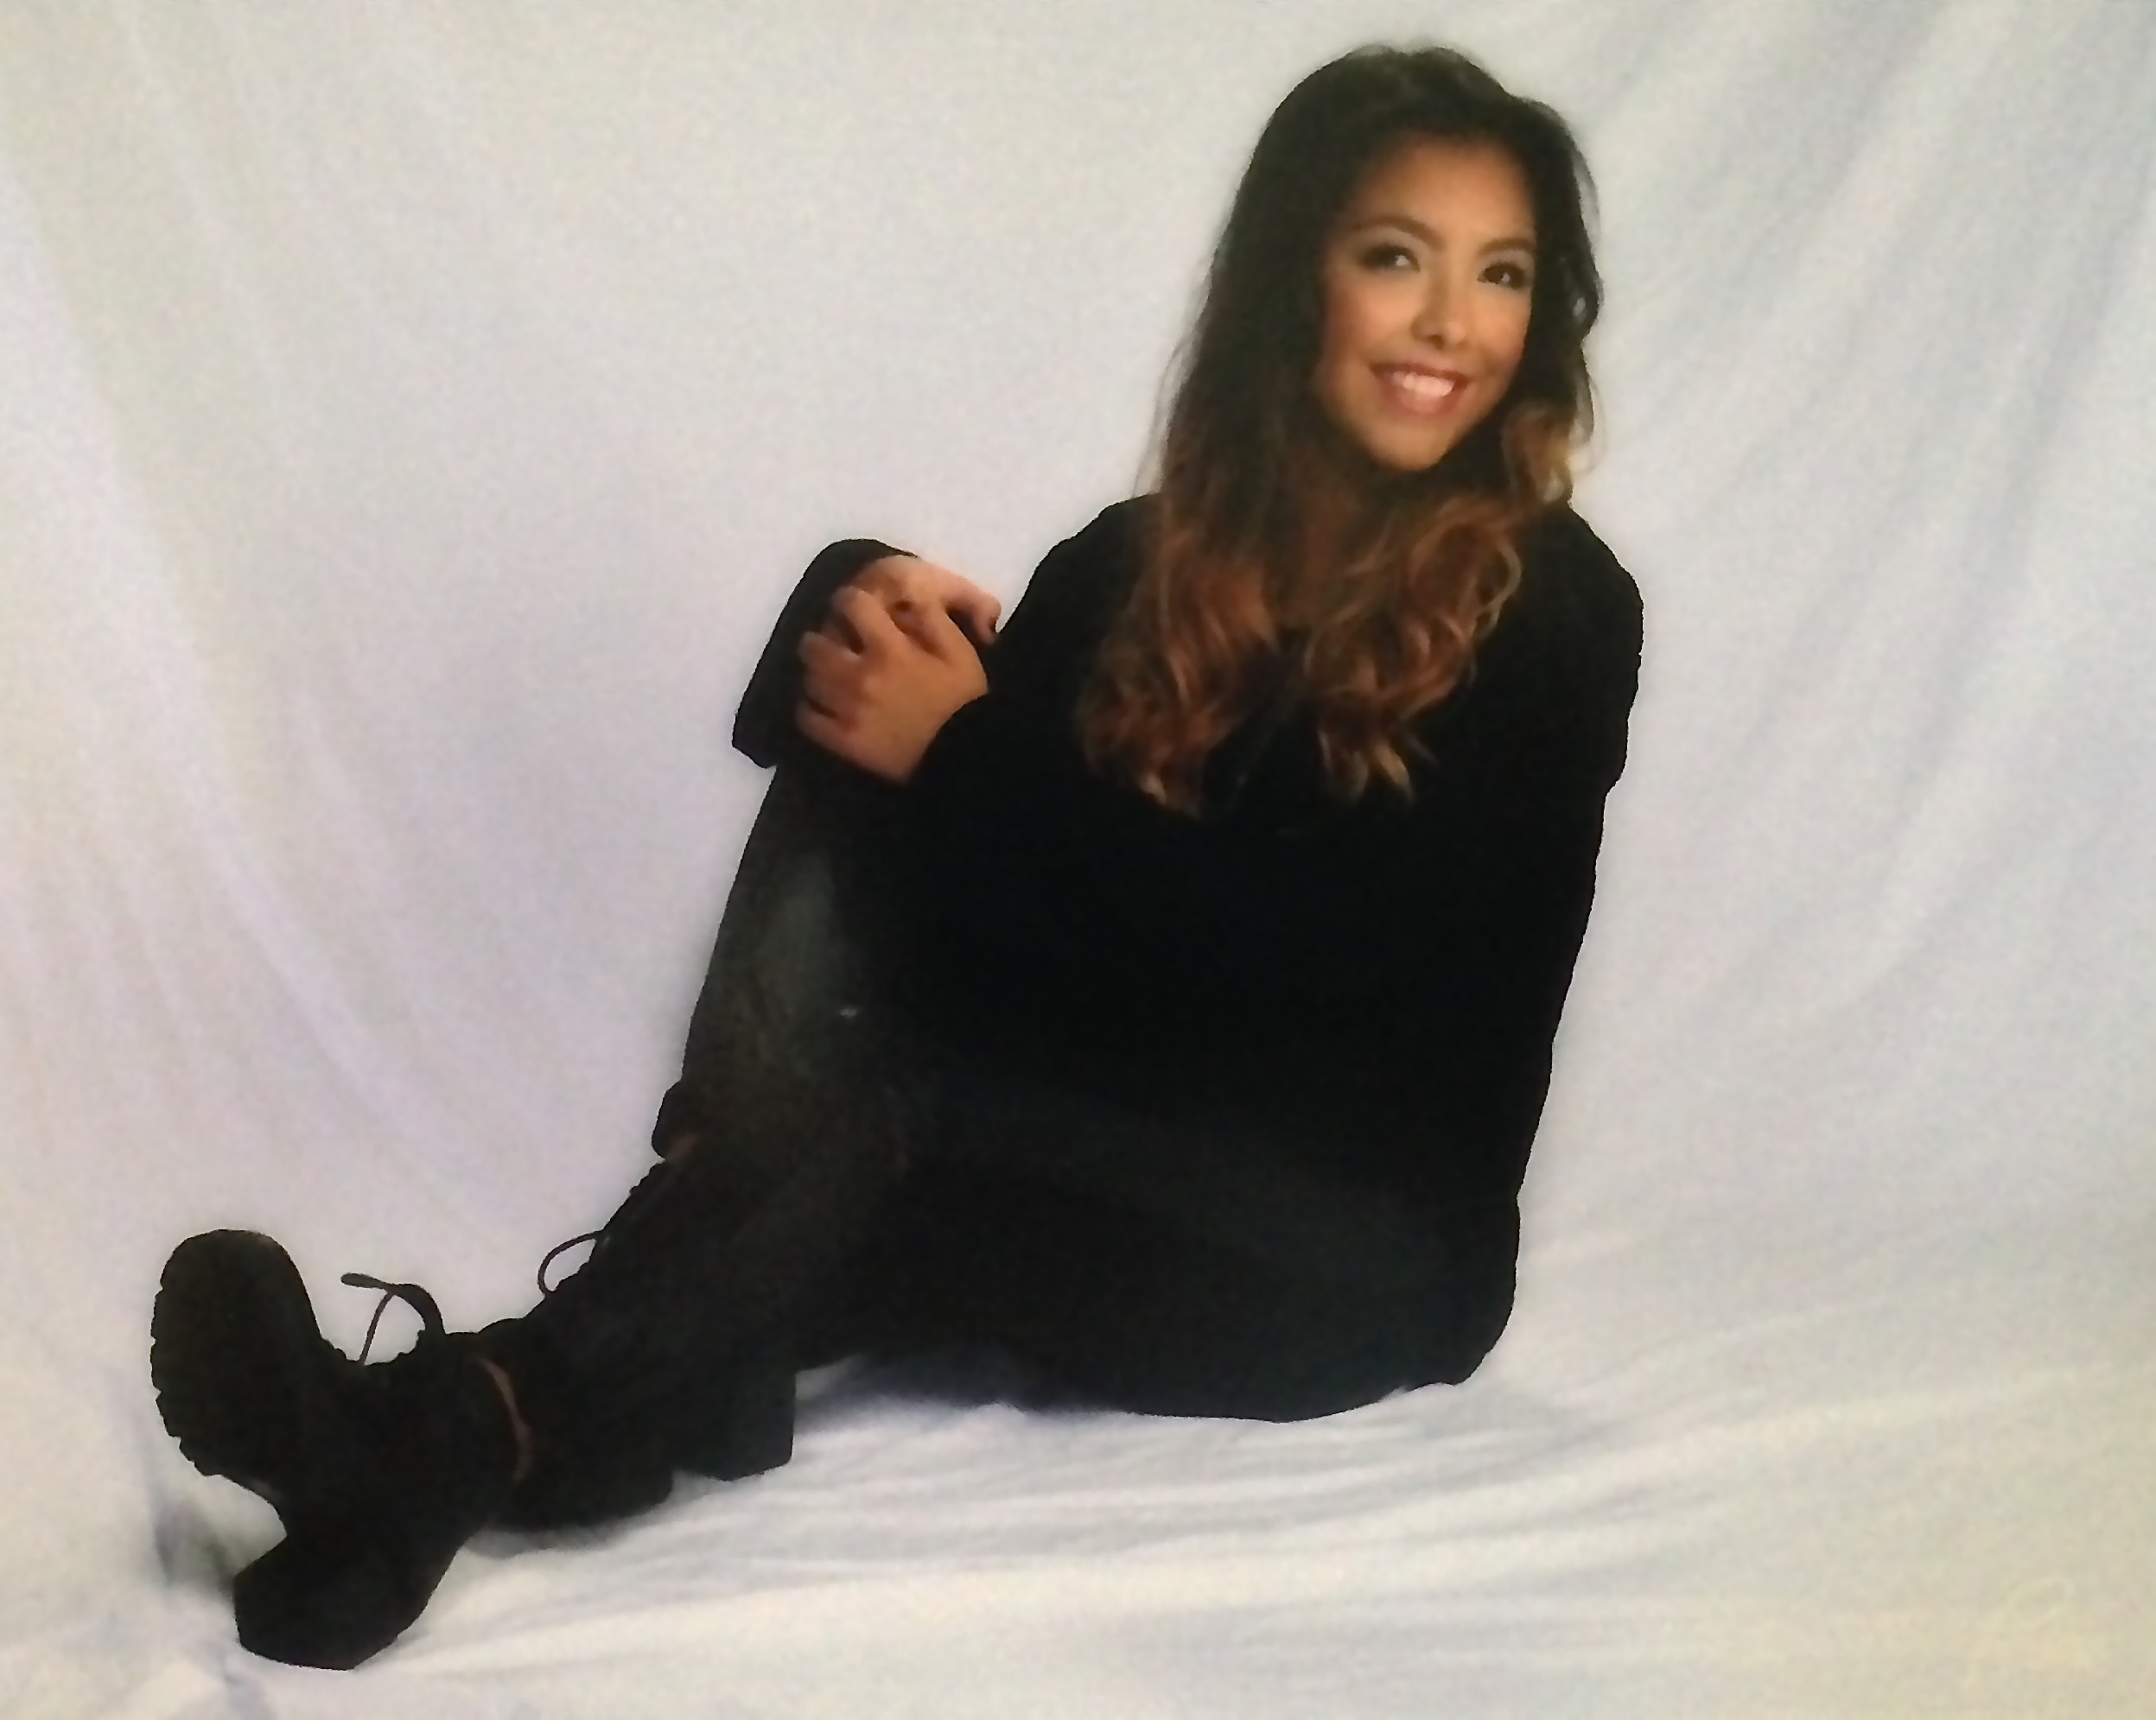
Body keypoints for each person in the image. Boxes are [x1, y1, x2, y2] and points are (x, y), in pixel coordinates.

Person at [149, 43, 1643, 1669]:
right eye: (1398, 258)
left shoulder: (1554, 614)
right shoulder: (1136, 567)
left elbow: (1308, 968)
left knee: (889, 1110)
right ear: (1300, 280)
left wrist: (970, 753)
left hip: (1353, 1257)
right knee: (867, 634)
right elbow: (984, 919)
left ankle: (464, 1416)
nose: (1450, 323)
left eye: (1502, 275)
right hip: (1102, 1181)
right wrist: (887, 633)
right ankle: (456, 1449)